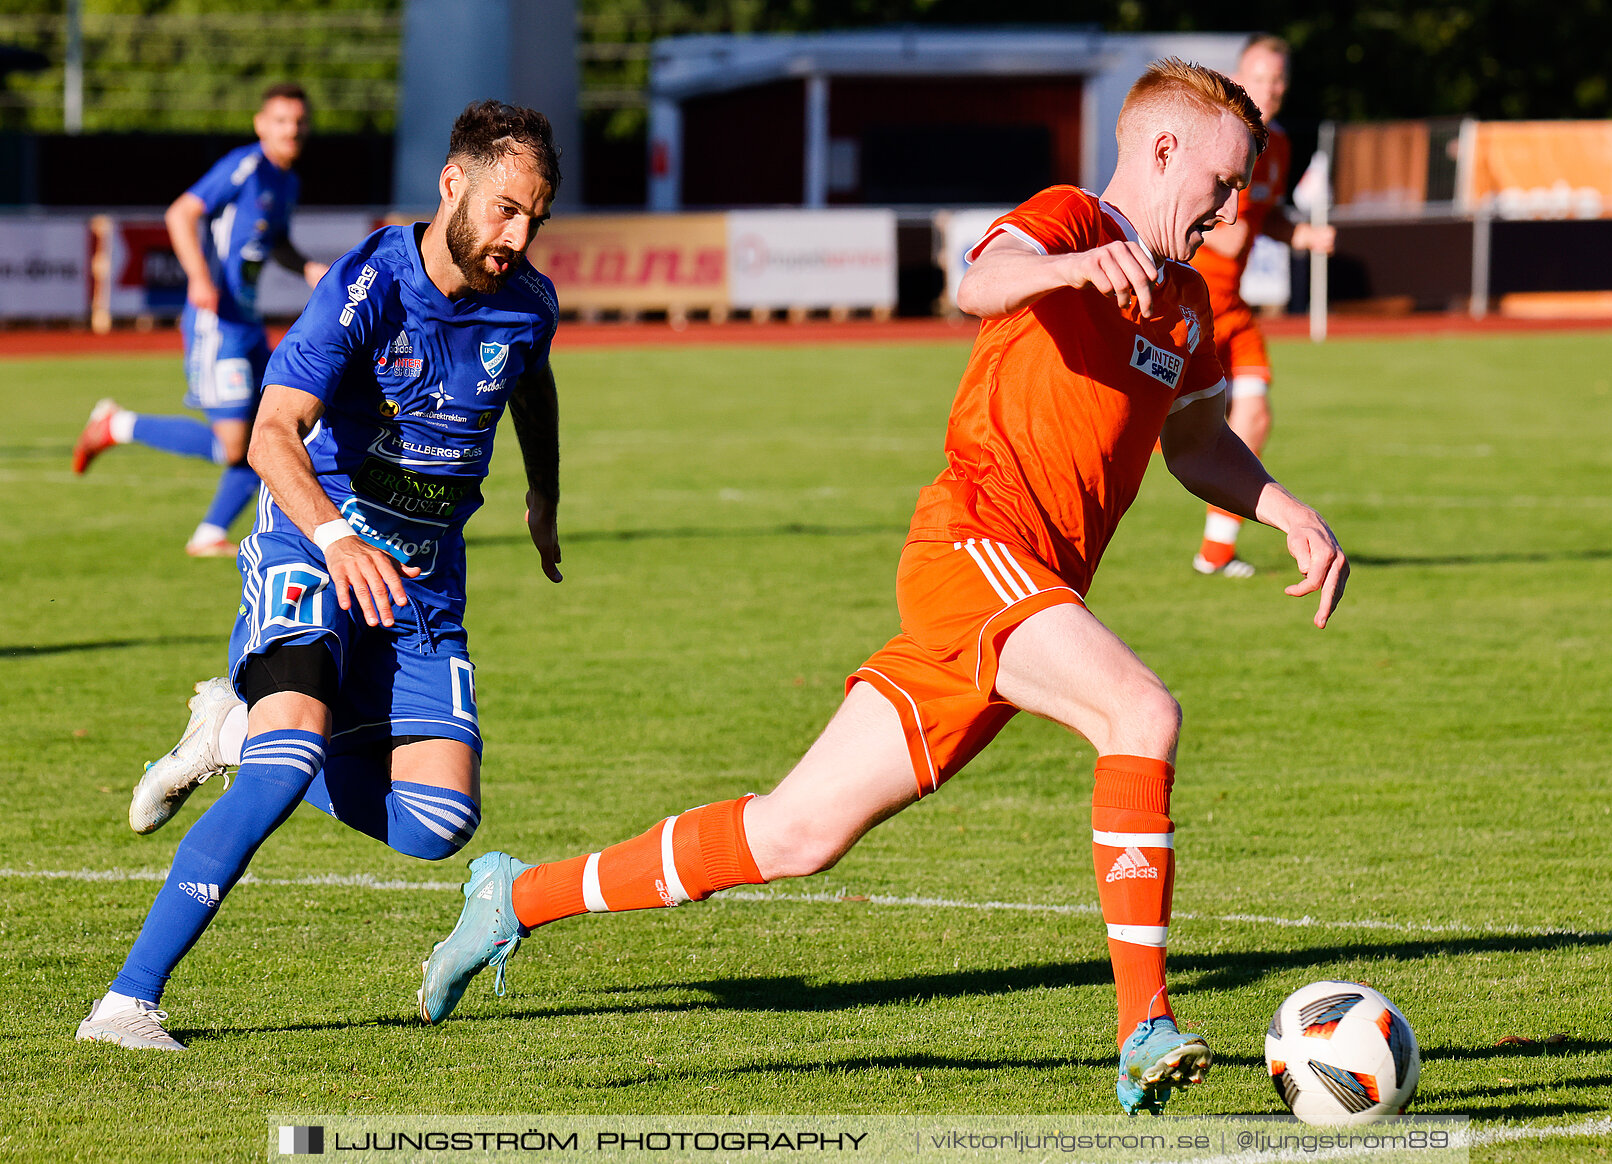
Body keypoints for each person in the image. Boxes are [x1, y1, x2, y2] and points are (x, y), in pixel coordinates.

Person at [416, 60, 1349, 1116]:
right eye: (1224, 184)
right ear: (1165, 149)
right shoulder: (1070, 220)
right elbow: (979, 277)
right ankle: (1144, 1026)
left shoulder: (1181, 300)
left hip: (1026, 596)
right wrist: (1074, 271)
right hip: (975, 551)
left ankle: (514, 898)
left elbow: (1190, 437)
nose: (1232, 213)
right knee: (1140, 711)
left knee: (793, 835)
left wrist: (1282, 509)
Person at [74, 100, 566, 1052]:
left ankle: (234, 730)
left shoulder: (529, 302)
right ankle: (126, 1005)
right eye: (506, 209)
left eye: (535, 218)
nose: (518, 235)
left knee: (437, 821)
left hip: (422, 583)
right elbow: (269, 432)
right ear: (452, 184)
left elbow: (532, 381)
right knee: (293, 750)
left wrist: (543, 496)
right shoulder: (366, 285)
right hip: (314, 545)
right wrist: (337, 535)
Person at [72, 82, 329, 558]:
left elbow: (276, 244)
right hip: (217, 323)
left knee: (277, 430)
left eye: (298, 121)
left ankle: (210, 533)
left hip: (249, 324)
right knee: (236, 445)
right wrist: (197, 277)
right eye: (280, 120)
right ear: (260, 125)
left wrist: (309, 268)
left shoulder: (286, 181)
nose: (290, 130)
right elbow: (181, 212)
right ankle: (116, 425)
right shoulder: (245, 165)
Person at [1188, 35, 1336, 579]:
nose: (1269, 89)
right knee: (1159, 425)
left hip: (1234, 306)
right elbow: (1220, 228)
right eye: (1259, 76)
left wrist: (1302, 236)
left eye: (1278, 80)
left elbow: (1263, 219)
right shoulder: (1214, 137)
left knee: (1255, 414)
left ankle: (1215, 553)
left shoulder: (1279, 145)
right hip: (1188, 304)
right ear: (1236, 76)